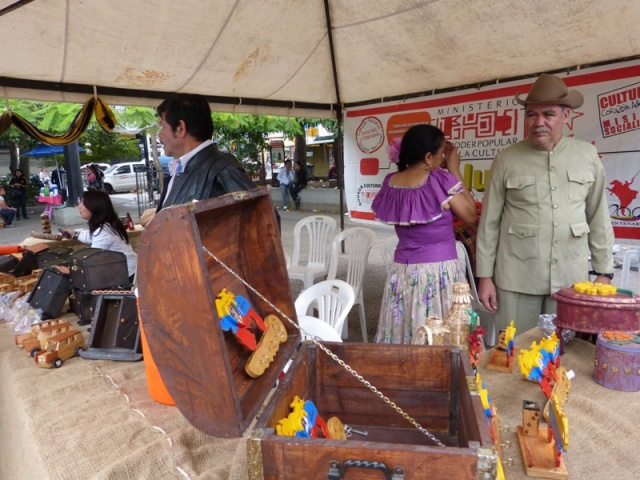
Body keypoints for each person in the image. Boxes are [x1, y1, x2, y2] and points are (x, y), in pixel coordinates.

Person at [476, 73, 615, 334]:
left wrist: (604, 271)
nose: (538, 122)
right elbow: (489, 222)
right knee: (513, 354)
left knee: (564, 353)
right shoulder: (506, 159)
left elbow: (598, 216)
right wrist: (485, 277)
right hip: (517, 277)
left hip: (569, 279)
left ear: (566, 116)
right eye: (531, 114)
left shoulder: (587, 155)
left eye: (548, 114)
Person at [371, 124, 477, 344]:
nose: (442, 160)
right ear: (429, 156)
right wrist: (455, 169)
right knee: (444, 333)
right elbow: (470, 215)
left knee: (406, 330)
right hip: (438, 272)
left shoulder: (391, 182)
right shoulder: (439, 179)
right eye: (440, 155)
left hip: (402, 273)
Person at [155, 93, 257, 212]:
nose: (159, 135)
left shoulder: (222, 169)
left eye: (162, 127)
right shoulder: (182, 169)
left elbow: (263, 219)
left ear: (180, 128)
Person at [60, 190, 137, 282]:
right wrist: (75, 234)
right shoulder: (107, 225)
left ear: (94, 207)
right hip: (128, 270)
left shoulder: (103, 232)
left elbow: (93, 260)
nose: (79, 206)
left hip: (126, 275)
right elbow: (91, 236)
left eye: (83, 203)